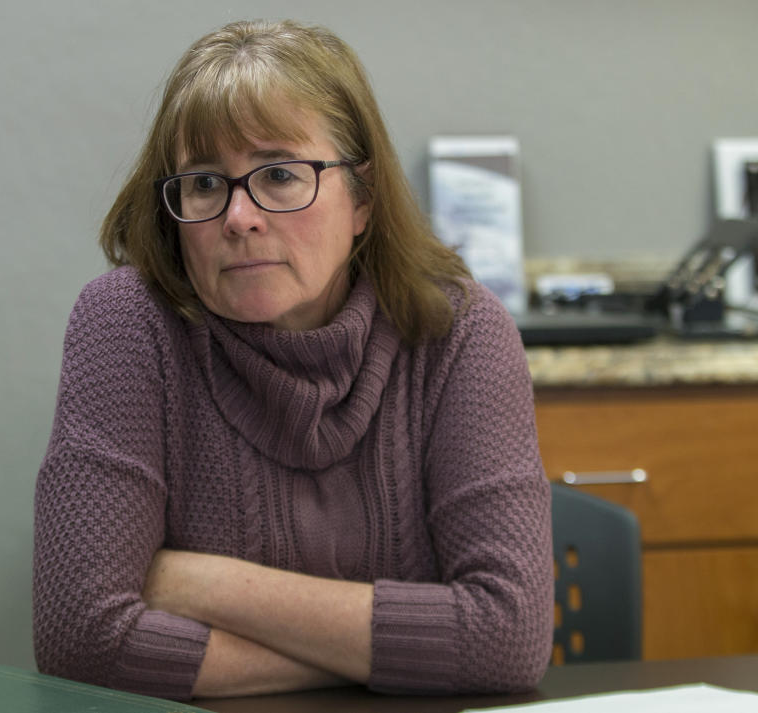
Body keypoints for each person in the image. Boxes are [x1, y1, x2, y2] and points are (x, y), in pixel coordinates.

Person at [33, 19, 552, 702]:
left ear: (362, 198)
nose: (239, 216)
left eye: (279, 174)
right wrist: (393, 647)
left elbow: (507, 638)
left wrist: (201, 583)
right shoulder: (126, 322)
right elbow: (81, 640)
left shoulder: (458, 332)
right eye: (205, 185)